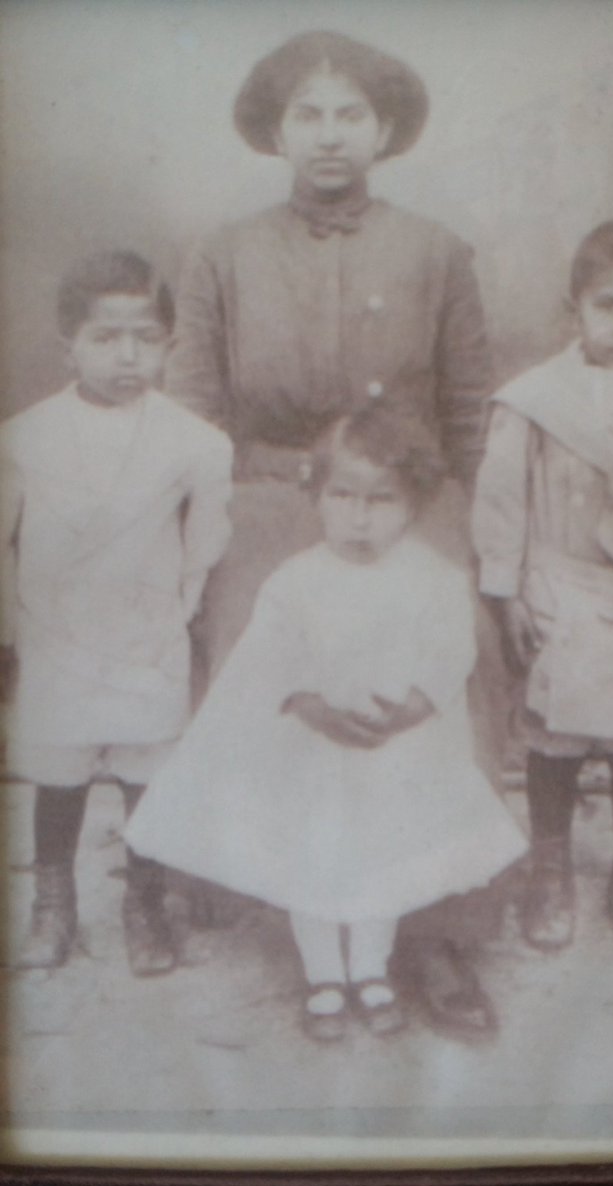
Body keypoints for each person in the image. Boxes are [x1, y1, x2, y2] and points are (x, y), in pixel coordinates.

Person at [164, 31, 510, 1018]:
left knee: (462, 656)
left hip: (407, 498)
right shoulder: (224, 255)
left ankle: (441, 929)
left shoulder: (437, 253)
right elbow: (193, 417)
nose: (329, 136)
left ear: (384, 129)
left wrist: (472, 538)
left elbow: (469, 407)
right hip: (271, 494)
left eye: (350, 114)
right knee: (255, 650)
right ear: (277, 132)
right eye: (307, 115)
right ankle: (296, 914)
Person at [127, 407, 527, 1042]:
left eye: (381, 499)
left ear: (415, 503)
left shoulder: (434, 578)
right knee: (313, 860)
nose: (359, 517)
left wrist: (417, 706)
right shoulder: (297, 580)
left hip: (397, 751)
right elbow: (271, 657)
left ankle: (370, 970)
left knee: (382, 859)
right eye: (342, 496)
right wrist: (308, 703)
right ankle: (323, 977)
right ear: (316, 495)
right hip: (316, 753)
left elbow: (449, 650)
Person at [0, 250, 233, 975]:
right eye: (105, 338)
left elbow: (204, 542)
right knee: (60, 774)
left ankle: (146, 903)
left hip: (144, 635)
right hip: (57, 633)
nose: (127, 356)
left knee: (145, 774)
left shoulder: (194, 442)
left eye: (145, 338)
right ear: (67, 344)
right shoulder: (23, 437)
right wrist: (13, 632)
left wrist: (180, 612)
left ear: (169, 344)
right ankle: (54, 903)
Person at [473, 218, 613, 954]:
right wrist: (506, 592)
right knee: (554, 743)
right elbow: (500, 501)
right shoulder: (533, 399)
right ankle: (549, 868)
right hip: (560, 590)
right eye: (609, 307)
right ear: (575, 310)